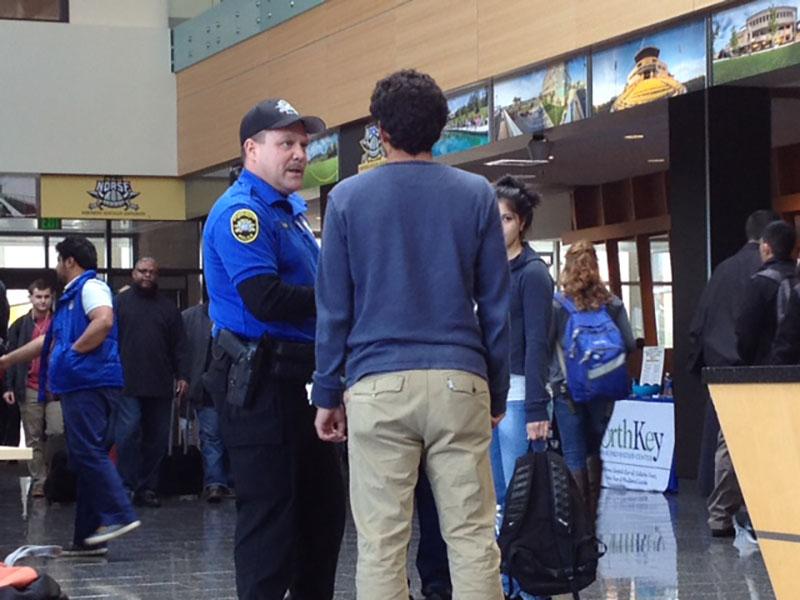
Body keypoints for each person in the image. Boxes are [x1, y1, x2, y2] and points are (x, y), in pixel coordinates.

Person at [313, 69, 510, 600]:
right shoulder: (475, 195)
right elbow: (495, 304)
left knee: (381, 542)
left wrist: (327, 393)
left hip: (376, 384)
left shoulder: (348, 200)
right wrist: (497, 386)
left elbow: (334, 308)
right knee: (471, 538)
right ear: (441, 129)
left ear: (380, 130)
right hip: (459, 379)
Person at [202, 97, 345, 599]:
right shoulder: (243, 212)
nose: (300, 155)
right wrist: (342, 295)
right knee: (272, 528)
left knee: (322, 519)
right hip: (263, 383)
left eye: (304, 144)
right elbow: (264, 298)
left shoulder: (291, 213)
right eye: (286, 143)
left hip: (302, 381)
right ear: (251, 149)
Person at [0, 236, 140, 556]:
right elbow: (48, 343)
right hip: (80, 384)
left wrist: (73, 355)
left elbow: (103, 321)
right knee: (84, 456)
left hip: (89, 383)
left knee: (87, 452)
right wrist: (8, 360)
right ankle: (88, 538)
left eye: (58, 260)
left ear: (69, 262)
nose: (56, 267)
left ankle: (119, 513)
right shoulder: (70, 299)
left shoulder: (91, 288)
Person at [687, 209, 780, 537]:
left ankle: (721, 514)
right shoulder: (773, 274)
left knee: (727, 444)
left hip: (722, 370)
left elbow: (699, 325)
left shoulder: (723, 270)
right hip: (761, 369)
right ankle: (762, 511)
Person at [491, 175, 553, 600]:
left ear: (523, 223)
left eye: (507, 219)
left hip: (518, 400)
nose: (500, 226)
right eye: (493, 218)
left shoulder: (532, 274)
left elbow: (537, 345)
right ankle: (509, 585)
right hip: (490, 399)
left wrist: (536, 410)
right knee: (499, 503)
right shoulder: (490, 270)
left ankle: (530, 590)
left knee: (522, 503)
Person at [548, 240, 635, 526]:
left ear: (567, 267)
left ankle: (578, 525)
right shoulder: (612, 304)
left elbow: (545, 346)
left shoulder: (558, 306)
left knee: (573, 452)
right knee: (594, 450)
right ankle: (592, 518)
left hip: (567, 391)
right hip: (603, 390)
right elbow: (630, 343)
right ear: (596, 267)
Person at [113, 257, 189, 508]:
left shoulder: (168, 308)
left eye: (152, 272)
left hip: (159, 382)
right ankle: (126, 486)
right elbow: (109, 341)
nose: (147, 276)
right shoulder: (119, 304)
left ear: (158, 276)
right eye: (142, 271)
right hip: (127, 382)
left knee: (156, 440)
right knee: (127, 435)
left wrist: (183, 376)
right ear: (133, 273)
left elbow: (179, 346)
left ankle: (147, 488)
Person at [2, 279, 62, 497]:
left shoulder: (59, 323)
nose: (43, 301)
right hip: (29, 385)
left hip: (55, 387)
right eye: (38, 296)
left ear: (52, 298)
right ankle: (39, 480)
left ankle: (54, 474)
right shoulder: (19, 327)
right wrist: (8, 387)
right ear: (31, 298)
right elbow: (11, 357)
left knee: (57, 431)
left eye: (46, 297)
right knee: (33, 437)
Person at [181, 300, 231, 502]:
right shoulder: (190, 318)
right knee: (213, 436)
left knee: (215, 437)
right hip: (210, 388)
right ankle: (217, 483)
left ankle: (217, 483)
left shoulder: (191, 317)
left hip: (224, 387)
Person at [735, 220, 797, 366]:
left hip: (770, 367)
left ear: (766, 248)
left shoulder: (761, 282)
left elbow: (746, 331)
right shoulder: (796, 279)